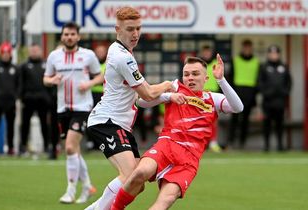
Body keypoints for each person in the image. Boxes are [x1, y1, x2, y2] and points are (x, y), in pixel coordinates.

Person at [111, 55, 243, 210]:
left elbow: (238, 107)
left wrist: (221, 80)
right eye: (186, 74)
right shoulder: (174, 87)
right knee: (140, 172)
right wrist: (168, 96)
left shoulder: (212, 98)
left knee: (165, 201)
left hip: (189, 159)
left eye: (195, 74)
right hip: (167, 145)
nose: (190, 78)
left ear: (206, 78)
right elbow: (141, 101)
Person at [85, 7, 174, 210]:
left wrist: (167, 96)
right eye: (130, 29)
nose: (135, 34)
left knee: (137, 184)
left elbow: (140, 99)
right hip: (107, 122)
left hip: (120, 125)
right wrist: (169, 84)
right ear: (118, 29)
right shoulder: (122, 56)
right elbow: (148, 93)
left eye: (138, 29)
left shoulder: (123, 52)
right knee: (130, 177)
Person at [43, 21, 103, 204]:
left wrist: (90, 84)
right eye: (66, 34)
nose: (69, 37)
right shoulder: (54, 56)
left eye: (72, 34)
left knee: (69, 147)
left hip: (82, 107)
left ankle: (70, 190)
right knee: (74, 150)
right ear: (62, 36)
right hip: (62, 108)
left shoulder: (88, 55)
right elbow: (45, 78)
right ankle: (87, 186)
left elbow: (100, 75)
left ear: (78, 36)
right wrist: (52, 80)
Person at [18, 44, 58, 159]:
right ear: (29, 52)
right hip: (28, 100)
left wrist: (49, 97)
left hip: (43, 100)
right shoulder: (24, 66)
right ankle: (23, 147)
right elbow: (20, 83)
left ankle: (46, 146)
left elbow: (50, 82)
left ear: (41, 51)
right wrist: (21, 97)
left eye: (36, 50)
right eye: (32, 50)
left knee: (44, 124)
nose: (34, 52)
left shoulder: (46, 65)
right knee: (25, 124)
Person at [227, 39, 260, 149]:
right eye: (245, 47)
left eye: (248, 47)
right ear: (242, 48)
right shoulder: (235, 60)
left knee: (245, 121)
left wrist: (255, 95)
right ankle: (231, 142)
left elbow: (258, 80)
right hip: (237, 93)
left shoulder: (256, 62)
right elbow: (230, 78)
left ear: (251, 48)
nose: (247, 50)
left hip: (249, 94)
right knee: (234, 120)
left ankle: (242, 143)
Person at [258, 45, 292, 152]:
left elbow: (289, 82)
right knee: (266, 124)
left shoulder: (284, 66)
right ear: (268, 54)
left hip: (280, 101)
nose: (274, 55)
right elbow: (260, 82)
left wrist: (284, 92)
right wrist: (266, 93)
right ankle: (267, 146)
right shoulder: (264, 67)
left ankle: (280, 146)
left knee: (280, 124)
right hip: (267, 101)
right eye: (271, 53)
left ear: (279, 54)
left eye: (276, 53)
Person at [200, 45, 221, 153]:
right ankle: (202, 143)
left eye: (208, 52)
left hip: (213, 95)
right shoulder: (199, 65)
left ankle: (213, 143)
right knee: (200, 120)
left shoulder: (215, 64)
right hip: (201, 95)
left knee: (213, 120)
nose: (207, 54)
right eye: (205, 52)